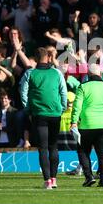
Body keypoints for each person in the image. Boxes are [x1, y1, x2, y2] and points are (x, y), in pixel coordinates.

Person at [20, 47, 67, 190]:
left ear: (35, 57)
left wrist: (28, 109)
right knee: (53, 146)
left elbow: (23, 93)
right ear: (48, 58)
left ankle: (47, 181)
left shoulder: (30, 73)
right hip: (55, 114)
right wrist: (62, 108)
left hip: (39, 114)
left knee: (43, 148)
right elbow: (63, 92)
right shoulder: (57, 73)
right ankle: (54, 179)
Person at [70, 64, 103, 188]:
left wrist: (74, 122)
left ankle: (89, 177)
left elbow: (77, 106)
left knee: (83, 151)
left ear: (88, 75)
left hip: (86, 124)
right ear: (101, 75)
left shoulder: (83, 87)